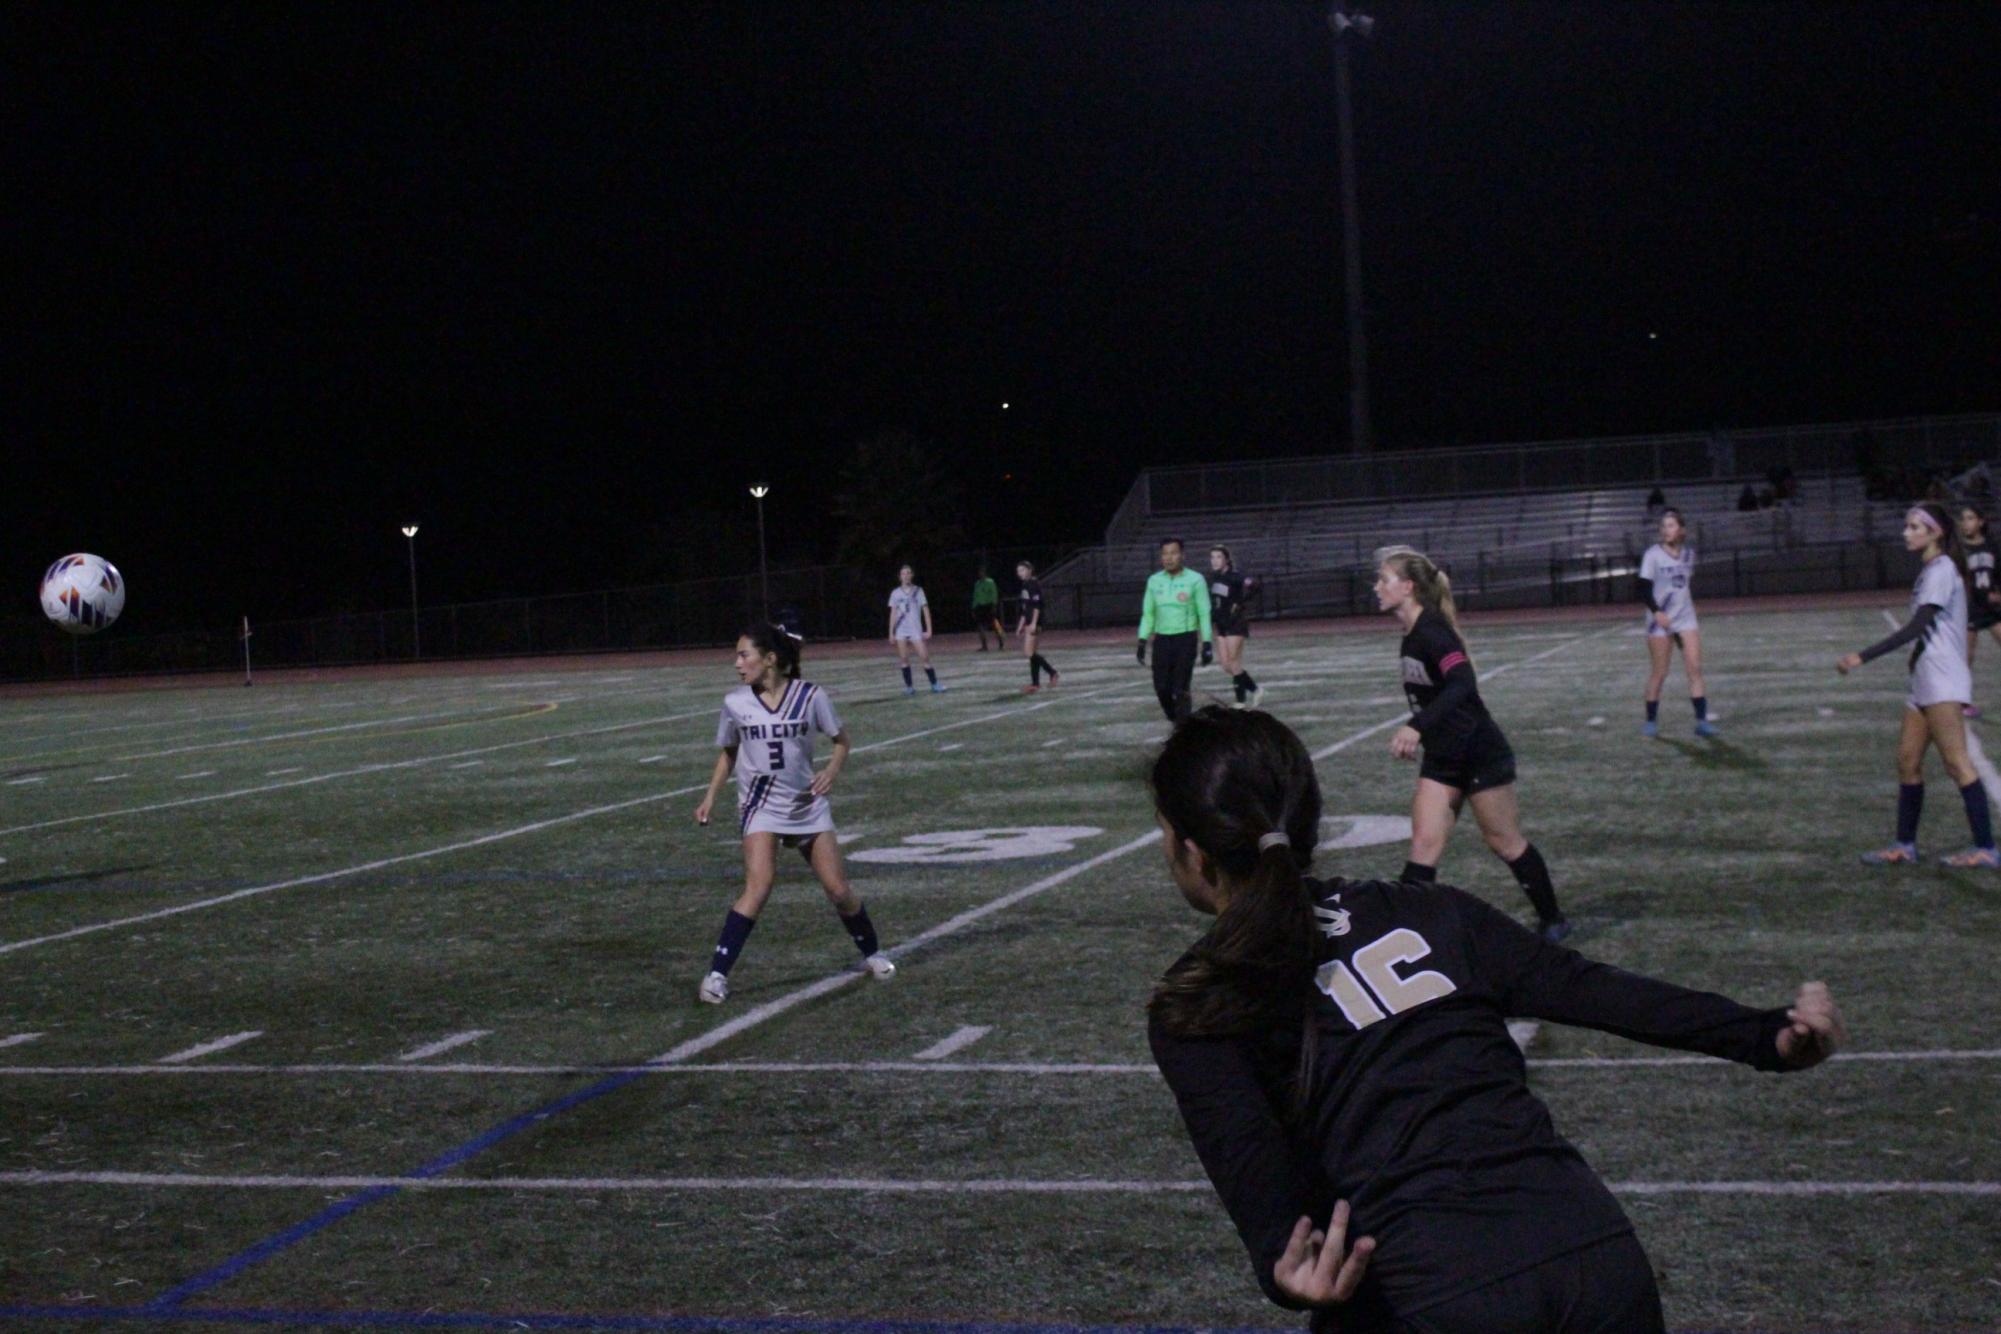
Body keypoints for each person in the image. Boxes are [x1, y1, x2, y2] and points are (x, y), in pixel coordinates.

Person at [1147, 707, 1847, 1332]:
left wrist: (1281, 1262)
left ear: (1191, 849)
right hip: (1591, 1256)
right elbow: (1594, 988)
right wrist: (1763, 1035)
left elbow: (1246, 1158)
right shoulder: (1433, 913)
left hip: (1426, 1290)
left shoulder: (1198, 995)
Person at [692, 625, 898, 1003]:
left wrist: (831, 772)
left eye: (744, 655)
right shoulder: (735, 702)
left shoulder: (811, 695)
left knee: (838, 889)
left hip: (806, 804)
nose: (737, 663)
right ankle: (716, 976)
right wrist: (710, 797)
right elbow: (729, 753)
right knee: (759, 886)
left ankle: (873, 953)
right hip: (760, 807)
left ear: (769, 659)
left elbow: (841, 741)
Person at [1376, 547, 1571, 942]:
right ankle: (1404, 932)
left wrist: (1417, 726)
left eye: (1384, 579)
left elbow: (1463, 683)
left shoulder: (1432, 630)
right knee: (1424, 845)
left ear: (1408, 587)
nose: (1376, 587)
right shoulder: (1412, 633)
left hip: (1479, 752)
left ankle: (1553, 919)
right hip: (1444, 758)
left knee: (1504, 842)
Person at [1838, 502, 1997, 868]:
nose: (1905, 533)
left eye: (1913, 527)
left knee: (1957, 764)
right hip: (1925, 680)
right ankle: (1904, 846)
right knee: (1907, 761)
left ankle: (1986, 848)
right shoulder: (1931, 571)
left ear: (1935, 532)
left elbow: (1917, 627)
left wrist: (1862, 656)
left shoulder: (1942, 570)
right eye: (1906, 526)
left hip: (1942, 680)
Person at [1637, 509, 1715, 737]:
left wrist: (1685, 608)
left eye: (1671, 525)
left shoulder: (1689, 555)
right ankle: (1651, 720)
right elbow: (1643, 588)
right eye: (1663, 526)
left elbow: (1682, 586)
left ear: (1681, 530)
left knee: (1695, 669)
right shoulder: (1652, 555)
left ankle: (1701, 721)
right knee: (1660, 673)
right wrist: (1657, 612)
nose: (1666, 530)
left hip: (1685, 620)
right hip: (1659, 622)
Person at [1138, 537, 1214, 722]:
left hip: (1185, 639)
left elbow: (1204, 613)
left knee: (1180, 688)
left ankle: (1183, 728)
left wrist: (1206, 643)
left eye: (1173, 553)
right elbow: (1148, 614)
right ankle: (1177, 721)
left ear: (1182, 555)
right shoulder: (1154, 581)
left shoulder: (1195, 579)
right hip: (1162, 640)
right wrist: (1142, 640)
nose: (1169, 558)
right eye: (1165, 553)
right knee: (1161, 688)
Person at [1958, 506, 2001, 714]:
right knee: (1967, 656)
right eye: (1964, 519)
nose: (1966, 523)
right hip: (1970, 608)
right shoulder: (1960, 549)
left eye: (1971, 518)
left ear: (1981, 522)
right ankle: (1963, 702)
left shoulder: (1992, 546)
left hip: (1991, 609)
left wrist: (1998, 593)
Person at [1209, 545, 1262, 709]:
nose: (1215, 560)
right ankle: (1256, 689)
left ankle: (1240, 701)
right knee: (1226, 666)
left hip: (1235, 623)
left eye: (1218, 557)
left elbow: (1254, 584)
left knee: (1234, 662)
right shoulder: (1214, 578)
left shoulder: (1234, 576)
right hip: (1221, 624)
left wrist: (1242, 602)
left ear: (1226, 560)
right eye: (1212, 557)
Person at [887, 564, 945, 696]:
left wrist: (929, 629)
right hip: (901, 630)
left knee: (925, 657)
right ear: (899, 577)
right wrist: (891, 632)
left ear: (912, 575)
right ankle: (909, 687)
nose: (906, 576)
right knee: (904, 659)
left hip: (915, 629)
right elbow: (893, 614)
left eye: (908, 573)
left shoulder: (918, 591)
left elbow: (925, 609)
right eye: (903, 573)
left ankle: (935, 684)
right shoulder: (895, 593)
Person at [1014, 559, 1059, 693]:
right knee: (1032, 653)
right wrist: (1020, 625)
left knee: (1029, 653)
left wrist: (1033, 623)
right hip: (1028, 622)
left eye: (1022, 570)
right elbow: (1024, 609)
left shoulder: (1033, 584)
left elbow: (1037, 606)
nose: (1019, 573)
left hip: (1034, 623)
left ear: (1029, 570)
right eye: (1018, 571)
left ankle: (1052, 672)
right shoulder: (1025, 585)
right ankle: (1035, 683)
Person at [971, 566, 1004, 652]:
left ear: (985, 573)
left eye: (982, 572)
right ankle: (984, 646)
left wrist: (994, 605)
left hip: (989, 606)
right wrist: (973, 608)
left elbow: (994, 594)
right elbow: (975, 597)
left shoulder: (990, 582)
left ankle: (1001, 642)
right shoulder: (977, 584)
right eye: (979, 572)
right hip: (979, 607)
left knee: (994, 626)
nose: (980, 574)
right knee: (980, 627)